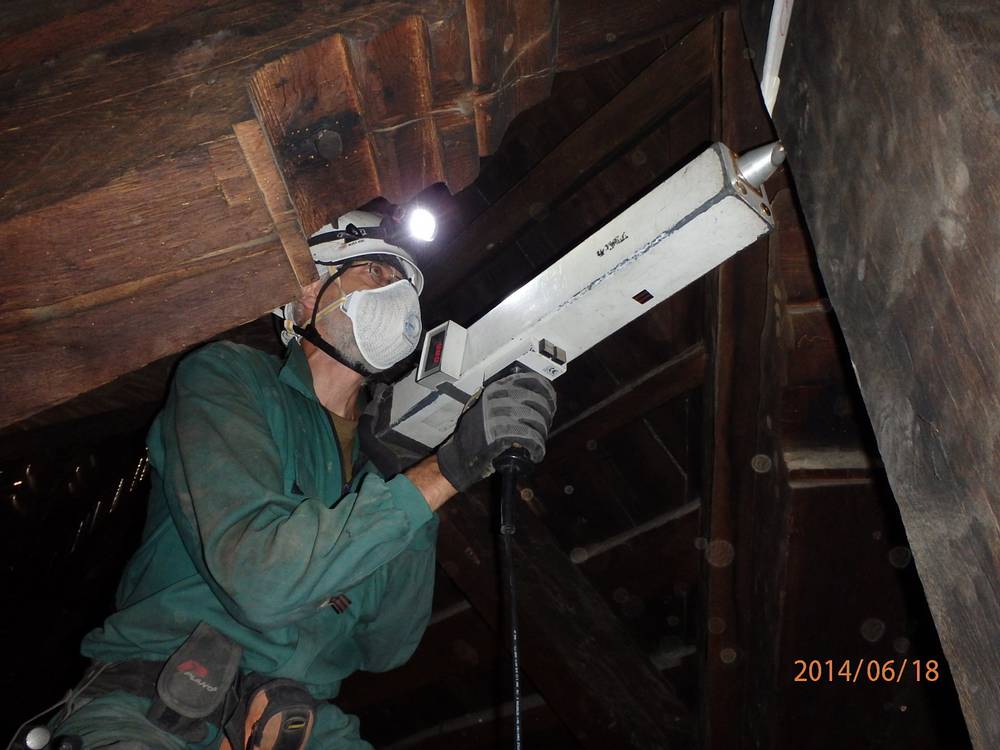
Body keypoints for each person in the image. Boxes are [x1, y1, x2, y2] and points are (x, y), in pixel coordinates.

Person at [47, 211, 557, 749]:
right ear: (309, 293)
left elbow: (387, 648)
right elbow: (261, 585)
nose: (399, 296)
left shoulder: (382, 470)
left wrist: (410, 488)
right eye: (376, 273)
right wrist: (445, 472)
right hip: (156, 709)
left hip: (298, 726)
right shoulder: (228, 379)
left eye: (405, 286)